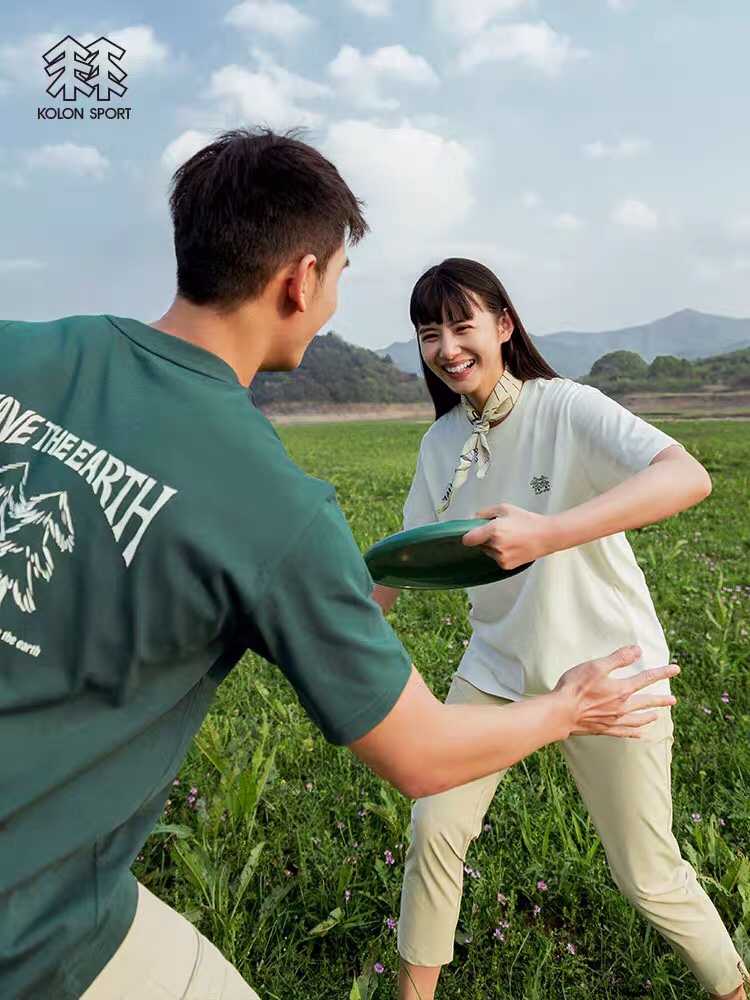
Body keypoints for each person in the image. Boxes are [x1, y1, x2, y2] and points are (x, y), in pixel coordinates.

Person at [0, 132, 678, 1000]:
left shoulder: (20, 348)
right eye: (342, 278)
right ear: (302, 279)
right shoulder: (275, 507)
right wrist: (571, 706)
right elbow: (422, 752)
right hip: (37, 922)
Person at [368, 257, 749, 1000]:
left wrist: (548, 532)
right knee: (435, 828)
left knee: (647, 873)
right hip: (496, 671)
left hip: (607, 674)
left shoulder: (566, 407)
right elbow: (403, 558)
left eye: (462, 325)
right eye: (429, 333)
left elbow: (687, 475)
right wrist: (331, 629)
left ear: (504, 325)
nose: (447, 347)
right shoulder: (441, 443)